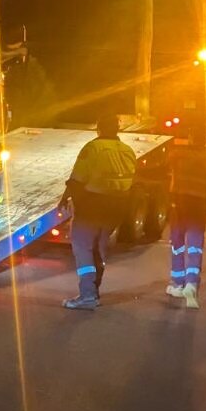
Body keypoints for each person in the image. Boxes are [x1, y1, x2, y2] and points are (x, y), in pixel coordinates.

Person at [60, 116, 137, 310]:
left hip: (92, 207)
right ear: (117, 129)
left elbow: (77, 178)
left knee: (83, 248)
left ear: (99, 129)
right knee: (99, 250)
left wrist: (65, 198)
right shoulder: (128, 151)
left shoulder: (92, 148)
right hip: (116, 208)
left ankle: (87, 296)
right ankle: (94, 292)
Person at [166, 123, 206, 309]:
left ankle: (178, 284)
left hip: (179, 203)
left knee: (177, 244)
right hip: (199, 205)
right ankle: (192, 283)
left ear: (191, 138)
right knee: (195, 245)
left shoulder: (179, 154)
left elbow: (167, 167)